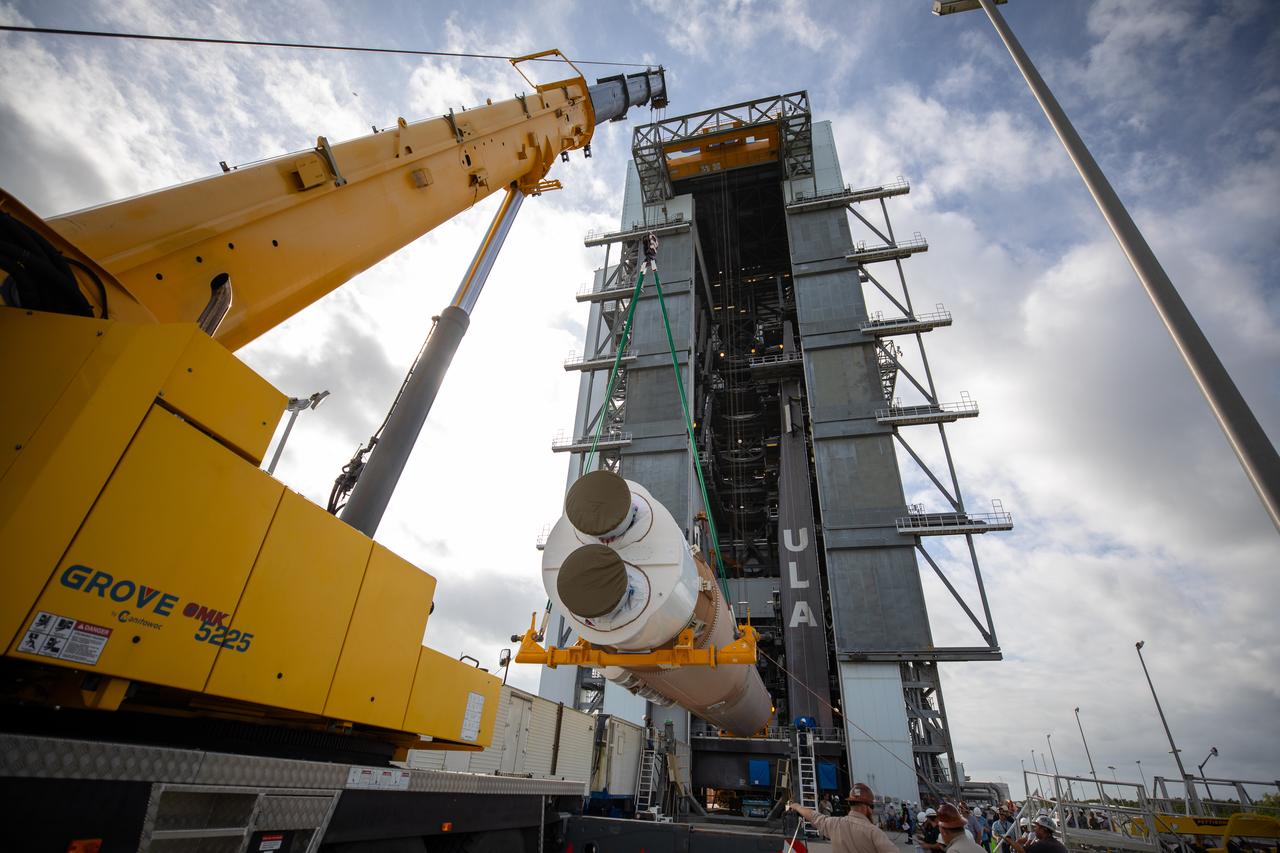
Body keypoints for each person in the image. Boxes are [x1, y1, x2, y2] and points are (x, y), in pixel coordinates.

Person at [788, 782, 899, 853]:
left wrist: (797, 806)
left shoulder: (835, 824)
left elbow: (813, 816)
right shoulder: (874, 832)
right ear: (867, 807)